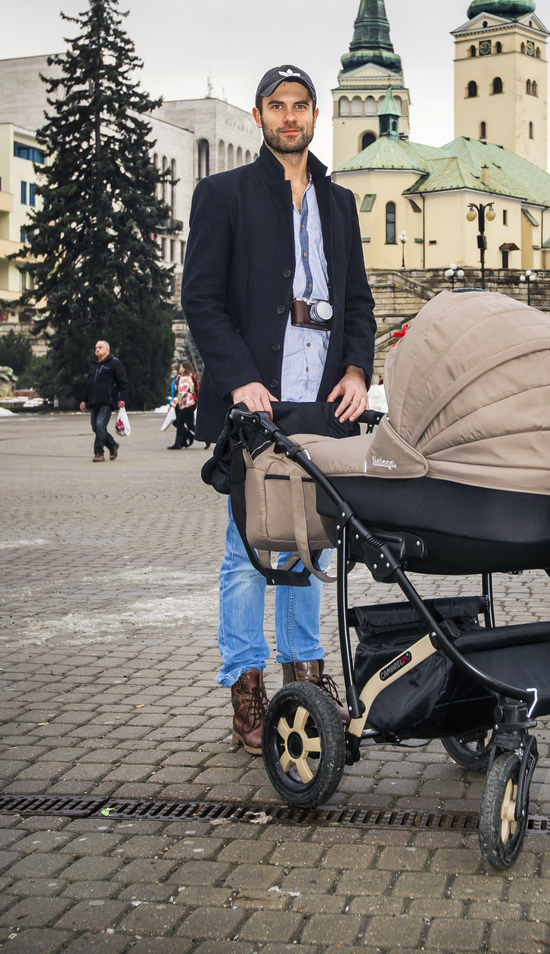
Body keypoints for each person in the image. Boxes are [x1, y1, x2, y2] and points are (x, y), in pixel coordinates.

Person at [182, 63, 376, 756]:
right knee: (245, 553)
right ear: (260, 115)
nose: (289, 117)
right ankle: (247, 688)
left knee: (306, 544)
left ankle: (307, 677)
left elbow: (356, 303)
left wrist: (356, 369)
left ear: (316, 116)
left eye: (300, 106)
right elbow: (200, 297)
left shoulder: (340, 202)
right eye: (277, 106)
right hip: (255, 406)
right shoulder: (225, 194)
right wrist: (237, 379)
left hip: (320, 404)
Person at [79, 340, 129, 462]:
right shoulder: (94, 364)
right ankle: (112, 445)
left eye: (100, 347)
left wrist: (121, 398)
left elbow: (122, 382)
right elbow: (89, 384)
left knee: (101, 425)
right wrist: (84, 400)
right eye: (96, 347)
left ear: (107, 349)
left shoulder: (114, 363)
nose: (97, 349)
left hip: (107, 401)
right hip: (93, 401)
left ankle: (99, 453)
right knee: (95, 428)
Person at [169, 361, 197, 450]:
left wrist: (173, 404)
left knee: (190, 425)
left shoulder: (184, 379)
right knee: (180, 423)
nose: (179, 369)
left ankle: (205, 436)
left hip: (187, 404)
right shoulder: (188, 377)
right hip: (186, 404)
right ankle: (178, 443)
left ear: (184, 368)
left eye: (180, 367)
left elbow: (181, 393)